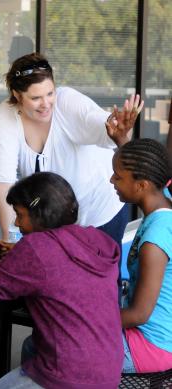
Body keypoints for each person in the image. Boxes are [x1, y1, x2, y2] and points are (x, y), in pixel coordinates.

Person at [0, 172, 123, 389]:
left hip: (67, 375)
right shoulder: (98, 240)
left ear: (40, 214)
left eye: (20, 215)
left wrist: (11, 258)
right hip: (110, 370)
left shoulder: (37, 248)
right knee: (32, 347)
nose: (17, 223)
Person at [0, 52, 144, 253]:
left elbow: (99, 123)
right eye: (35, 98)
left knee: (101, 281)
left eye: (50, 93)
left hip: (100, 210)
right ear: (17, 95)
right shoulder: (6, 115)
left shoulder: (68, 101)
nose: (46, 104)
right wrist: (10, 238)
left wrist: (118, 127)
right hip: (55, 219)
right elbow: (4, 181)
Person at [110, 139, 172, 373]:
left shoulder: (155, 241)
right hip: (157, 336)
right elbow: (149, 167)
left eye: (117, 176)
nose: (112, 180)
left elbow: (139, 314)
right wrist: (122, 141)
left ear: (142, 185)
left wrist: (90, 321)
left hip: (152, 345)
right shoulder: (162, 198)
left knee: (49, 346)